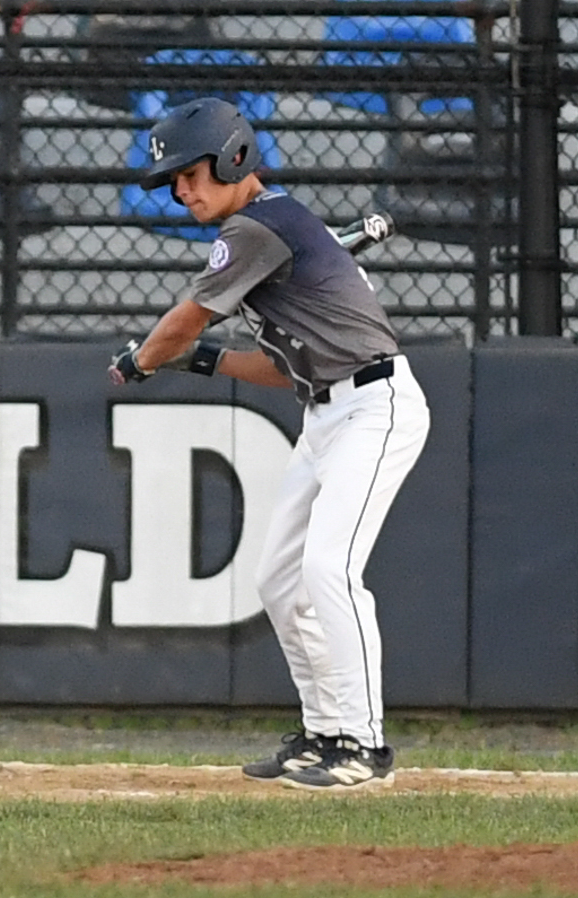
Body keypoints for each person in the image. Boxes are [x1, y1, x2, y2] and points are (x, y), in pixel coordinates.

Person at [107, 97, 431, 789]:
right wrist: (197, 361)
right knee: (279, 581)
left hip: (377, 406)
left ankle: (364, 746)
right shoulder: (272, 236)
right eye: (175, 182)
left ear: (233, 158)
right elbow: (283, 372)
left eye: (191, 174)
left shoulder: (257, 229)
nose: (181, 191)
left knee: (329, 571)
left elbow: (182, 319)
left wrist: (146, 359)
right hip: (326, 412)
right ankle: (325, 731)